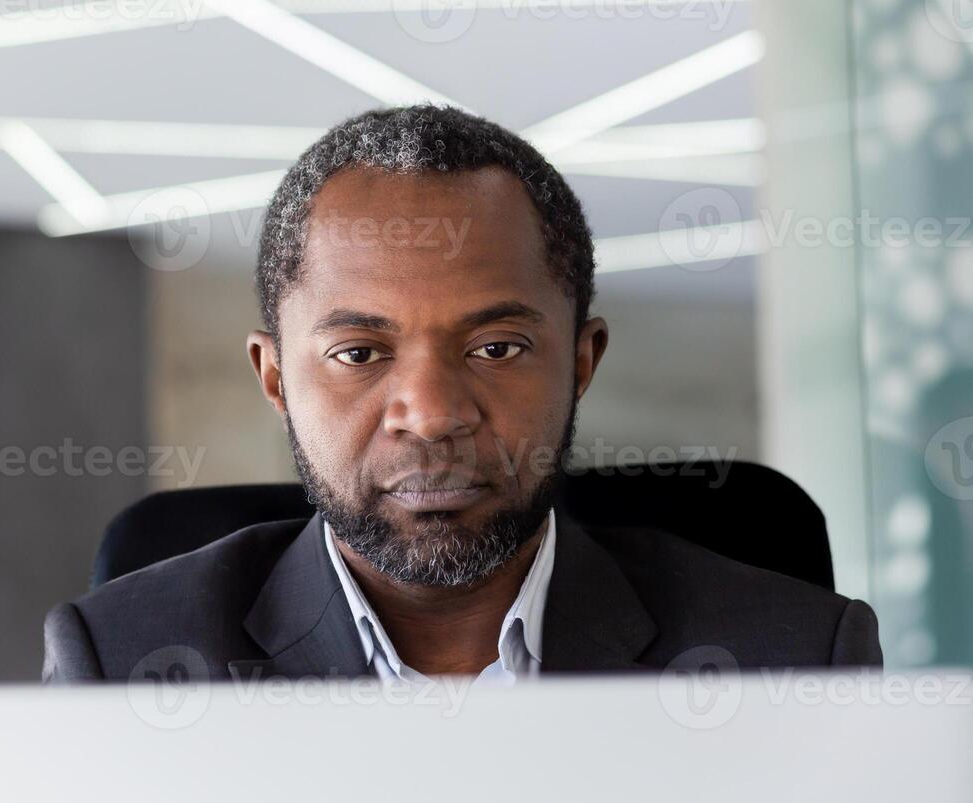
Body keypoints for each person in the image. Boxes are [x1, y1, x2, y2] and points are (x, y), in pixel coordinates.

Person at [43, 104, 882, 684]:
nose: (433, 412)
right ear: (274, 378)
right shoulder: (124, 662)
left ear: (582, 360)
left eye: (497, 347)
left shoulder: (793, 656)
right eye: (361, 351)